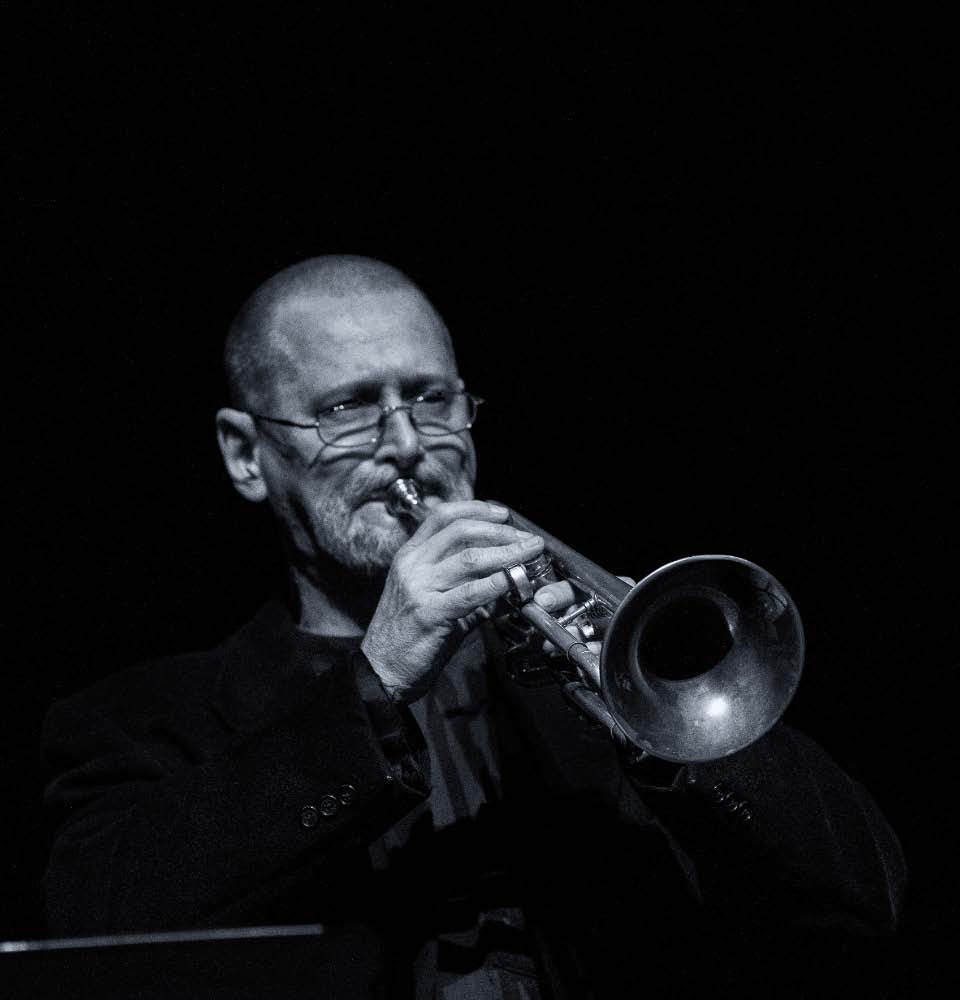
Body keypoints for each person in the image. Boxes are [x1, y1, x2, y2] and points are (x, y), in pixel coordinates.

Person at [41, 255, 907, 998]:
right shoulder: (140, 719)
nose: (408, 443)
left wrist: (664, 723)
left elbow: (865, 896)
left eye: (430, 398)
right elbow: (96, 926)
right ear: (245, 455)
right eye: (346, 409)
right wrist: (372, 682)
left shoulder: (589, 678)